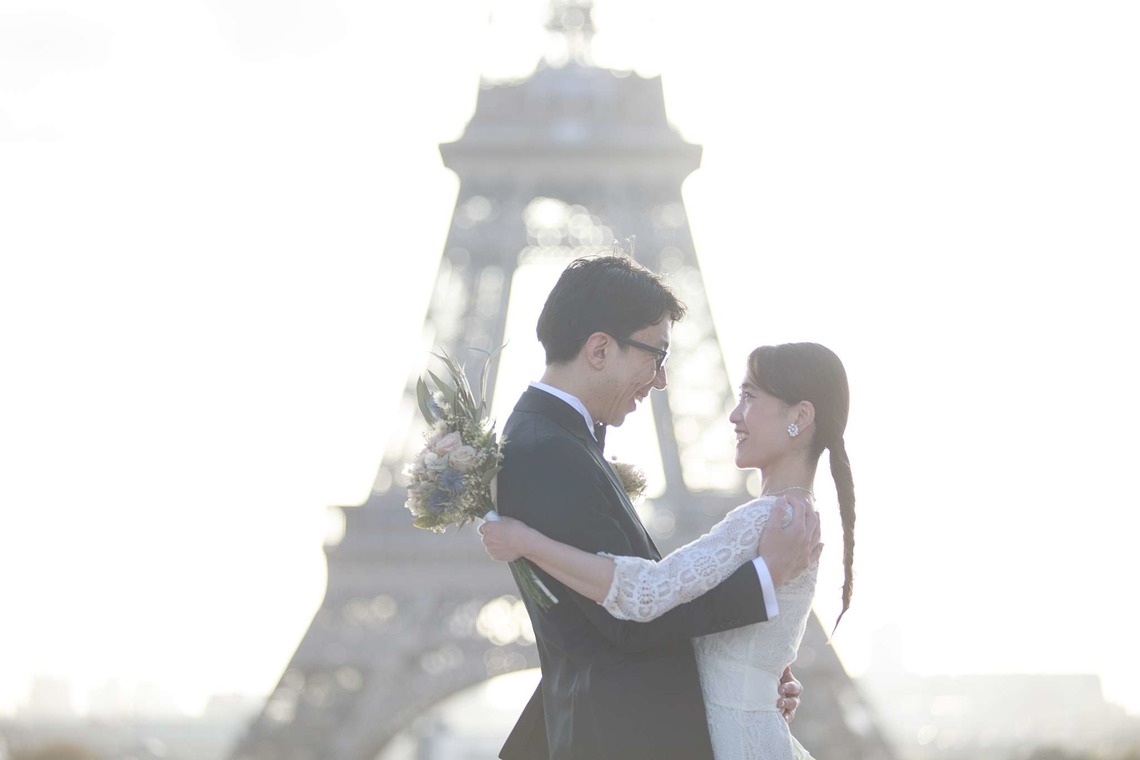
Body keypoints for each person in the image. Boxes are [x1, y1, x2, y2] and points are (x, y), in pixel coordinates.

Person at [488, 254, 822, 760]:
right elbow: (631, 620)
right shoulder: (550, 451)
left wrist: (747, 670)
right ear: (600, 349)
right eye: (656, 355)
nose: (660, 379)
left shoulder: (556, 439)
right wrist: (766, 578)